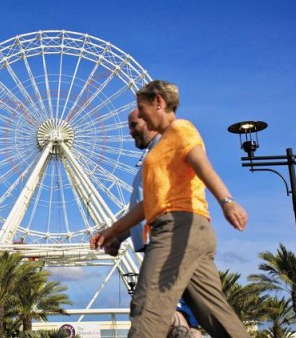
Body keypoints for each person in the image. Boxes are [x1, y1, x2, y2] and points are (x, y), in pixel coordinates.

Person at [90, 80, 249, 338]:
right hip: (192, 232)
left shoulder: (180, 129)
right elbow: (148, 204)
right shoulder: (162, 148)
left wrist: (226, 201)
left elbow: (200, 162)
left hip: (177, 228)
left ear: (159, 103)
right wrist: (112, 231)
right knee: (216, 315)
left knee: (147, 309)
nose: (138, 115)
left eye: (140, 110)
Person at [105, 109, 201, 338]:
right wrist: (118, 236)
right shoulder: (150, 157)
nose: (130, 132)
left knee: (149, 307)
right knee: (201, 311)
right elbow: (143, 206)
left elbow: (154, 202)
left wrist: (226, 201)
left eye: (134, 124)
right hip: (161, 238)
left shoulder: (167, 148)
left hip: (168, 238)